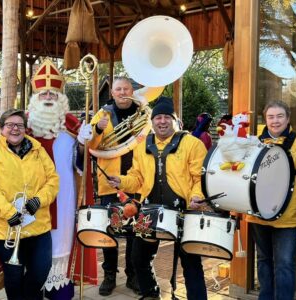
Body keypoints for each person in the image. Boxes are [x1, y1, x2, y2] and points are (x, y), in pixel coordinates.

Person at [108, 97, 209, 300]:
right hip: (149, 211)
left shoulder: (193, 144)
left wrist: (197, 196)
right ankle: (151, 294)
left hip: (184, 211)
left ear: (175, 120)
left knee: (191, 264)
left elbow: (201, 178)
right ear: (152, 122)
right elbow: (137, 178)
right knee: (139, 258)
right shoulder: (141, 146)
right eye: (158, 118)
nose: (162, 121)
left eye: (166, 117)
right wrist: (121, 181)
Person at [0, 109, 59, 300]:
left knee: (40, 271)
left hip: (38, 227)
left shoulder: (38, 150)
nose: (15, 129)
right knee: (13, 278)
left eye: (19, 125)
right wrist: (9, 213)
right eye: (10, 125)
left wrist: (39, 200)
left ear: (25, 128)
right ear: (1, 128)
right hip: (5, 228)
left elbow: (53, 180)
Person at [25, 59, 88, 298]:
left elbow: (80, 165)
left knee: (61, 244)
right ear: (36, 96)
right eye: (43, 93)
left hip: (63, 199)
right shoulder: (23, 125)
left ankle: (60, 291)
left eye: (53, 92)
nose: (48, 96)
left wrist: (83, 144)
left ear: (61, 97)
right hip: (30, 198)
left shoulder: (72, 126)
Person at [245, 100, 296, 300]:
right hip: (259, 214)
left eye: (280, 116)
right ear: (265, 119)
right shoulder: (254, 142)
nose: (275, 121)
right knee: (264, 259)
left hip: (289, 214)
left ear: (288, 118)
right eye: (271, 117)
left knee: (284, 263)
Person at [79, 76, 140, 295]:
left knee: (136, 231)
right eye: (118, 89)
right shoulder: (102, 114)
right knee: (111, 231)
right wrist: (97, 129)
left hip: (138, 181)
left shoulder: (142, 112)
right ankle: (110, 276)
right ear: (112, 93)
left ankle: (133, 275)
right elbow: (88, 146)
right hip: (110, 183)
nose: (122, 93)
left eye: (126, 88)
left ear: (132, 90)